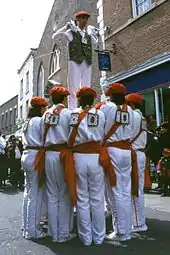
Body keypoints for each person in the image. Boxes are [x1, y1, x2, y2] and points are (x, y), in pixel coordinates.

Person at [61, 87, 105, 246]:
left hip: (78, 157)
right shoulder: (100, 114)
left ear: (79, 99)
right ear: (93, 100)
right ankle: (99, 237)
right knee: (97, 199)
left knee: (82, 198)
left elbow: (67, 136)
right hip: (96, 158)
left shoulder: (73, 114)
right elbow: (103, 135)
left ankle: (86, 237)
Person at [100, 83, 135, 241]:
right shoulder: (131, 112)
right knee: (125, 192)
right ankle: (126, 229)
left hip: (112, 151)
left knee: (114, 193)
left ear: (111, 96)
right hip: (126, 151)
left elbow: (100, 129)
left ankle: (120, 231)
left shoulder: (107, 108)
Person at [40, 86, 73, 243]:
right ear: (64, 98)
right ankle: (64, 233)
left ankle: (53, 233)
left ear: (52, 99)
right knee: (64, 194)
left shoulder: (46, 114)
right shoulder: (67, 113)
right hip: (62, 154)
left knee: (52, 195)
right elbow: (72, 135)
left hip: (48, 154)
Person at [52, 11, 99, 110]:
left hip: (87, 62)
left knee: (86, 87)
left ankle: (86, 107)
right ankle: (73, 110)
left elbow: (96, 43)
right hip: (75, 61)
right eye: (82, 18)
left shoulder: (88, 35)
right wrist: (65, 27)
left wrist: (94, 33)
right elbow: (55, 37)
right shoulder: (71, 32)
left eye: (86, 18)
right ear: (77, 19)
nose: (85, 20)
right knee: (73, 88)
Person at [21, 96, 48, 239]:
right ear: (41, 108)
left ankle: (26, 226)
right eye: (44, 107)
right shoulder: (39, 121)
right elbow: (47, 138)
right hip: (36, 155)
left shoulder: (27, 122)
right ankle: (33, 230)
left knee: (28, 193)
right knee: (36, 195)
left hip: (27, 154)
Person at [125, 93, 148, 232]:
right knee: (137, 189)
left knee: (134, 190)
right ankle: (138, 221)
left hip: (134, 153)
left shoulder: (134, 116)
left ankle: (139, 223)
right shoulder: (141, 117)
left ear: (132, 105)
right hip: (139, 153)